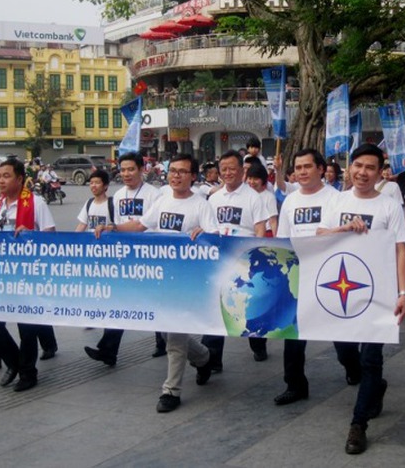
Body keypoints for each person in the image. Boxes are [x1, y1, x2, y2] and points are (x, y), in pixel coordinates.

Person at [95, 154, 218, 413]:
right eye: (173, 171)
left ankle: (171, 391)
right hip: (158, 276)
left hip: (185, 279)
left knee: (173, 335)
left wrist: (205, 234)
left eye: (183, 172)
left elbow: (215, 238)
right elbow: (140, 225)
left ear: (193, 176)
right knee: (165, 329)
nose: (176, 176)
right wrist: (113, 228)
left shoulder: (201, 205)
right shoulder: (162, 201)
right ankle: (204, 357)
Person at [317, 143, 405, 455]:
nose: (363, 172)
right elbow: (318, 237)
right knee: (345, 354)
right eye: (358, 166)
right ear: (350, 168)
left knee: (372, 359)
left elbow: (399, 249)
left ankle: (358, 425)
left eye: (370, 167)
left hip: (377, 294)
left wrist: (403, 292)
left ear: (380, 171)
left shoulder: (389, 207)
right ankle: (375, 387)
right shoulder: (336, 200)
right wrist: (343, 228)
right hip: (338, 291)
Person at [0, 158, 57, 392]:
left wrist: (31, 235)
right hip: (2, 276)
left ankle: (28, 374)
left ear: (19, 179)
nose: (1, 180)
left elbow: (52, 237)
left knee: (27, 329)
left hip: (28, 277)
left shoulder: (36, 203)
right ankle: (16, 363)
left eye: (6, 176)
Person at [272, 148, 340, 406]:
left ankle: (353, 366)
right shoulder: (290, 201)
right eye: (298, 167)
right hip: (297, 273)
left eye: (307, 167)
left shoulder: (336, 198)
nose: (301, 172)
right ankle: (295, 384)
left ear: (321, 169)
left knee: (341, 330)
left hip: (330, 273)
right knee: (292, 332)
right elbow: (282, 239)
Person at [84, 151, 163, 366]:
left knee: (157, 301)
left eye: (131, 169)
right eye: (123, 169)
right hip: (125, 257)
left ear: (141, 170)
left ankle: (163, 340)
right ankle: (108, 350)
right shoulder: (117, 196)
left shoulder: (154, 195)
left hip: (149, 257)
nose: (126, 173)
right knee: (120, 301)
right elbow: (115, 225)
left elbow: (149, 226)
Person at [204, 150, 269, 369]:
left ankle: (258, 344)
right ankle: (213, 360)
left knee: (249, 309)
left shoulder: (254, 197)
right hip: (219, 261)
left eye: (233, 168)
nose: (228, 173)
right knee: (215, 310)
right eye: (224, 169)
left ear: (243, 170)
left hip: (245, 263)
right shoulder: (213, 199)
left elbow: (260, 229)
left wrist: (256, 258)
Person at [245, 164, 279, 236]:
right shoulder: (244, 196)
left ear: (263, 180)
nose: (252, 182)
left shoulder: (269, 197)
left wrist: (276, 239)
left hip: (266, 234)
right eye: (250, 178)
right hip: (249, 233)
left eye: (256, 179)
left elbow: (273, 221)